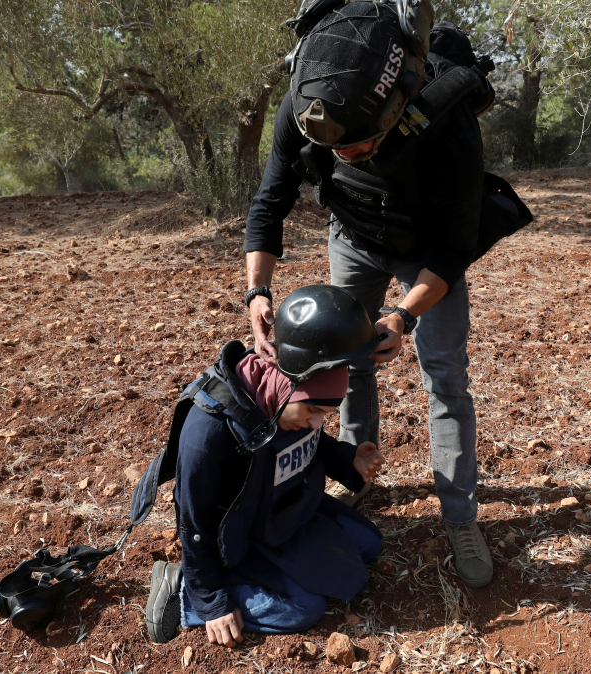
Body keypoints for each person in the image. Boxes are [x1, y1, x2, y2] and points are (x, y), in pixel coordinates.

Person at [243, 0, 494, 588]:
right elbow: (270, 202)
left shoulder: (449, 127)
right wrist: (257, 291)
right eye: (335, 149)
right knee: (348, 365)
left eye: (356, 146)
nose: (342, 155)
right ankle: (360, 477)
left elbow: (455, 250)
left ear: (398, 108)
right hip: (353, 235)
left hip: (426, 250)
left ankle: (459, 515)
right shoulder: (308, 106)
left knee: (445, 376)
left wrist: (402, 317)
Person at [145, 285, 388, 646]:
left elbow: (309, 441)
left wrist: (346, 458)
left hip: (283, 507)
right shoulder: (210, 431)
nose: (317, 422)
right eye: (313, 411)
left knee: (369, 544)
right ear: (288, 382)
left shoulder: (283, 398)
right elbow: (193, 518)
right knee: (305, 608)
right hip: (241, 531)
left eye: (325, 413)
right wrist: (211, 599)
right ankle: (183, 591)